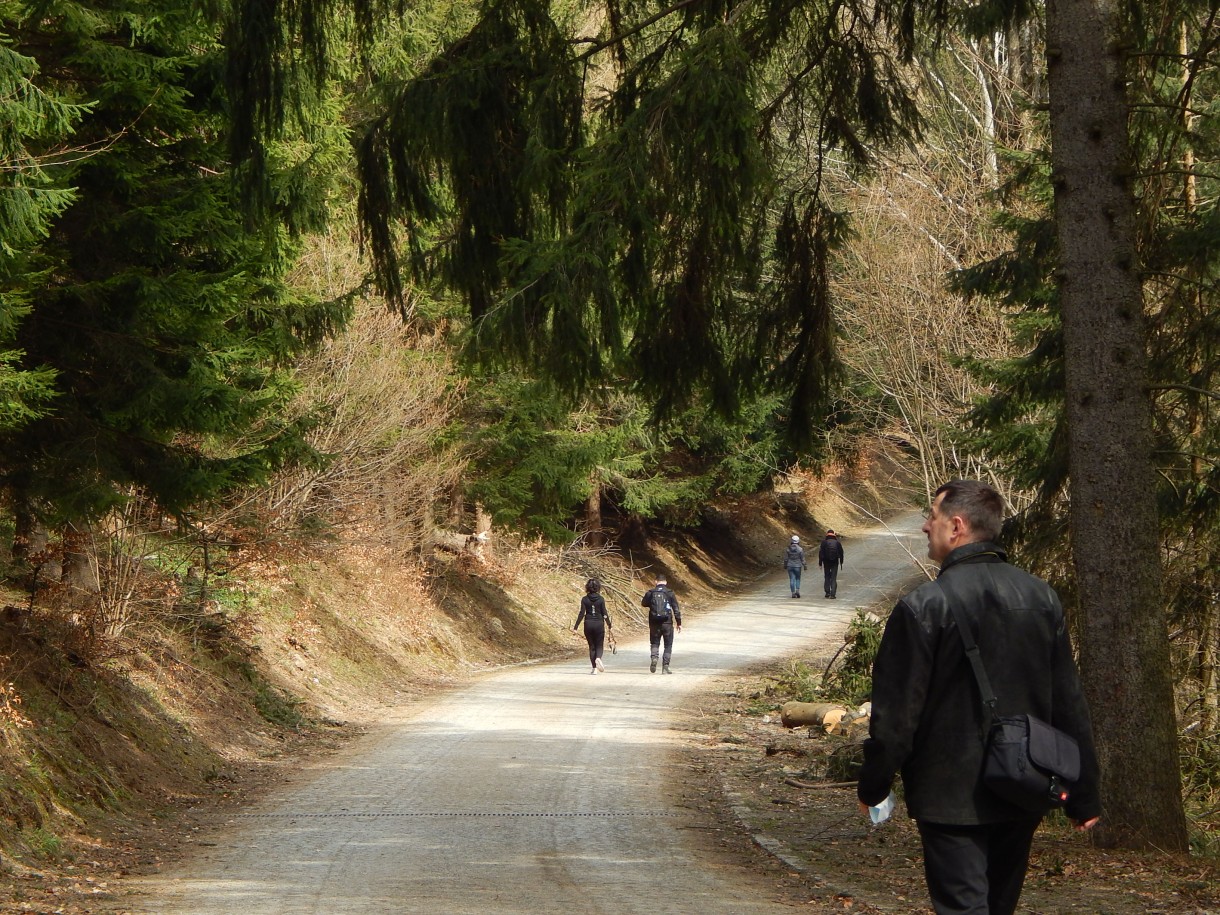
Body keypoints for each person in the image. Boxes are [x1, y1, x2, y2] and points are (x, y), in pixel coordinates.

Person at [857, 480, 1101, 915]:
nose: (923, 526)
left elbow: (896, 717)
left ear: (956, 526)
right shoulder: (1041, 597)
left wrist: (874, 784)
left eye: (930, 516)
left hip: (950, 796)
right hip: (1023, 782)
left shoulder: (923, 606)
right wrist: (1084, 795)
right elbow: (1069, 701)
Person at [641, 575, 681, 673]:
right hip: (667, 623)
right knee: (668, 645)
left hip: (654, 622)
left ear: (656, 581)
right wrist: (678, 622)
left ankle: (654, 658)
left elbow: (643, 603)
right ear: (666, 582)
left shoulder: (650, 593)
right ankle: (665, 667)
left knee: (654, 643)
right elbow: (676, 609)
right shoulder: (670, 593)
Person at [572, 578, 612, 674]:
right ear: (598, 587)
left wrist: (576, 627)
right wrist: (609, 624)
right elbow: (604, 613)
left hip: (588, 624)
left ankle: (594, 668)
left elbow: (582, 613)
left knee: (592, 646)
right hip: (599, 624)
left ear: (587, 587)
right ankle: (598, 658)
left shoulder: (584, 599)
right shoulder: (601, 599)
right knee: (599, 645)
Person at [818, 529, 844, 598]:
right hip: (835, 562)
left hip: (826, 562)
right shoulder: (837, 543)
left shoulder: (824, 542)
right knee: (833, 577)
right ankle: (833, 594)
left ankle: (827, 592)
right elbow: (841, 553)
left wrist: (820, 563)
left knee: (827, 576)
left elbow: (821, 553)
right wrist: (841, 562)